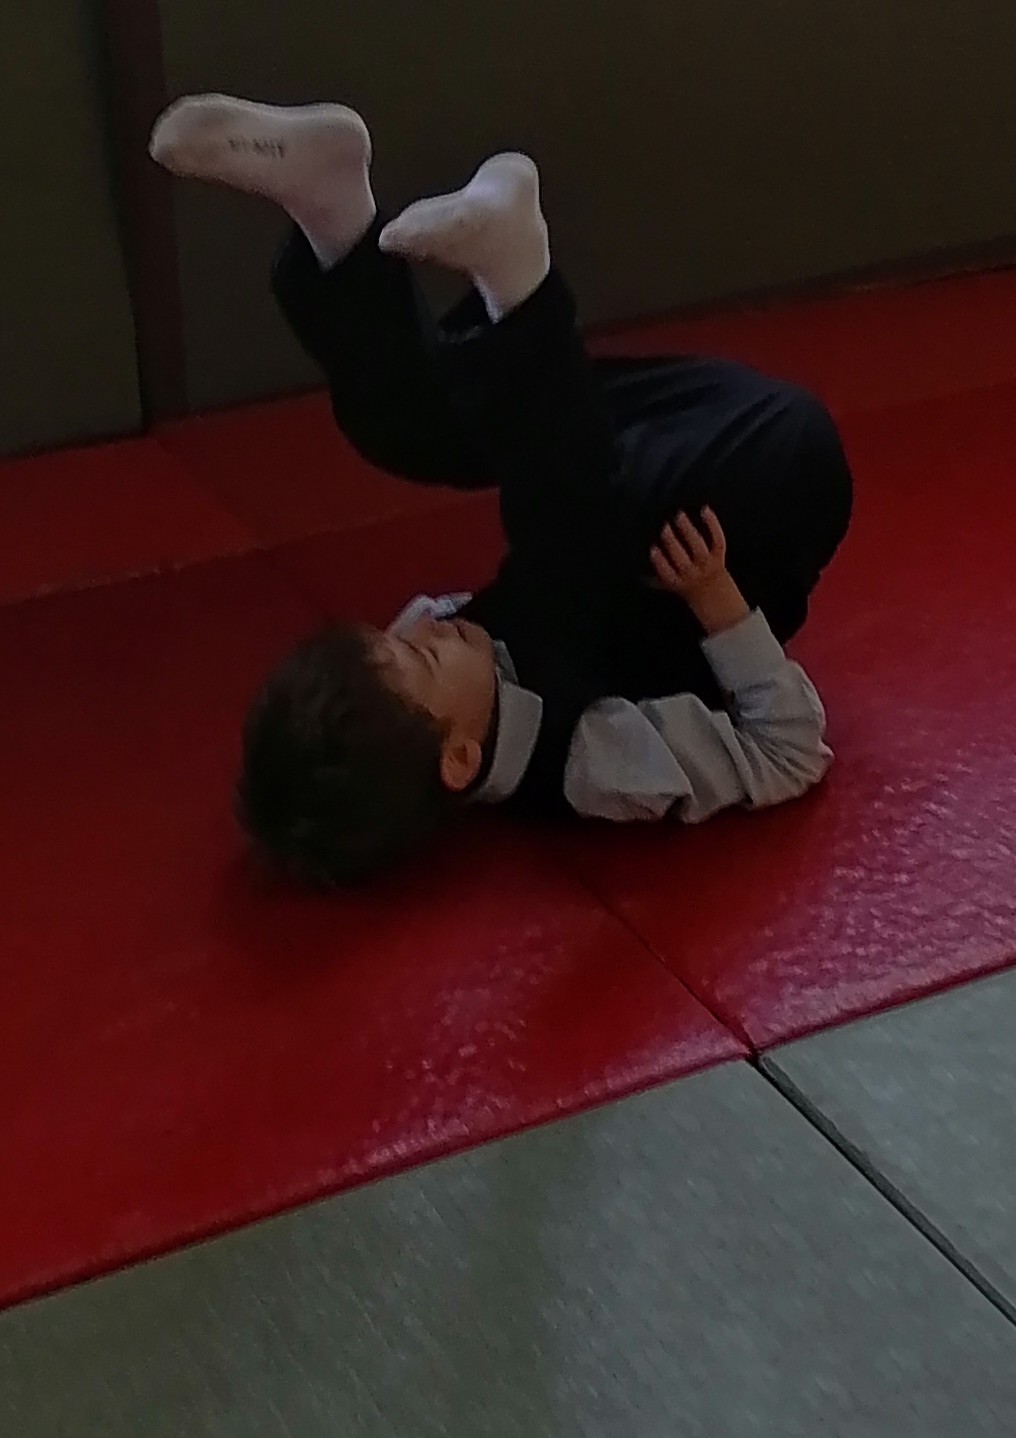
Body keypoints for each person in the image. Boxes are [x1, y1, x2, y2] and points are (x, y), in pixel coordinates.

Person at [150, 97, 855, 886]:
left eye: (395, 637)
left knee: (412, 432)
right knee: (572, 536)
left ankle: (333, 217)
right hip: (768, 485)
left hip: (658, 437)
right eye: (421, 654)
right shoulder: (589, 763)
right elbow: (788, 753)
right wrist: (720, 606)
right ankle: (518, 283)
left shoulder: (441, 693)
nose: (426, 622)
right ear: (458, 759)